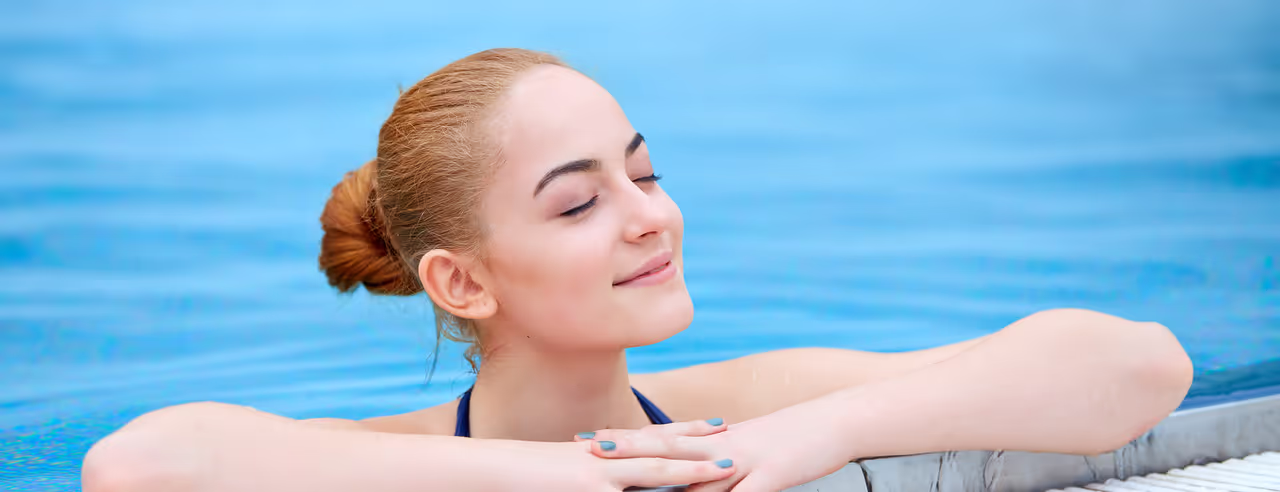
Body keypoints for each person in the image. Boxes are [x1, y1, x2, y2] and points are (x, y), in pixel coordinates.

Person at [81, 48, 1194, 492]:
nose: (647, 219)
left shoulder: (738, 410)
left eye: (644, 173)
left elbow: (1135, 365)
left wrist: (827, 431)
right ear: (461, 283)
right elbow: (138, 466)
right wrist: (578, 474)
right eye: (577, 201)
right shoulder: (385, 459)